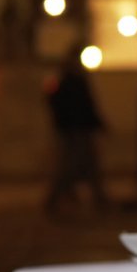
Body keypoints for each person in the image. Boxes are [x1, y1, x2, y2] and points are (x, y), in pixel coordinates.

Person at [44, 47, 109, 214]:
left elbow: (87, 106)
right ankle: (57, 199)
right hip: (73, 131)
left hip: (78, 130)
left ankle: (98, 199)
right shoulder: (68, 82)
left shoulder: (73, 81)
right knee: (70, 167)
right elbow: (78, 106)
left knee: (84, 166)